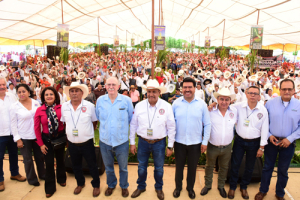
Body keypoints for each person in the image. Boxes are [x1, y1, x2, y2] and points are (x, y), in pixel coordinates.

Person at [209, 86, 269, 199]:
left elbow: (265, 129)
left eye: (255, 93)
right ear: (246, 94)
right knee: (235, 164)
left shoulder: (263, 110)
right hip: (239, 141)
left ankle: (244, 187)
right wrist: (213, 104)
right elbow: (223, 105)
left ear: (259, 96)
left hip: (254, 142)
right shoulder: (237, 107)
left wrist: (261, 147)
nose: (252, 95)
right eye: (250, 93)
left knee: (250, 166)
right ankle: (232, 187)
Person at [129, 79, 176, 200]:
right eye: (149, 92)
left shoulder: (166, 106)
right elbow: (133, 125)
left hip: (159, 143)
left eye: (154, 92)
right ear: (146, 93)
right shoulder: (139, 106)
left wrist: (170, 146)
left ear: (159, 92)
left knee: (159, 168)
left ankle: (159, 188)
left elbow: (171, 127)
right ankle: (141, 186)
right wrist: (132, 143)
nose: (151, 94)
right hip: (143, 142)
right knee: (141, 167)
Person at [255, 79, 300, 200]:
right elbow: (264, 122)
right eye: (284, 89)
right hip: (272, 141)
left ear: (294, 90)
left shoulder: (299, 105)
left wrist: (289, 139)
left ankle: (280, 193)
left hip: (288, 144)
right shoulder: (270, 103)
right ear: (279, 90)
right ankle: (263, 190)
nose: (286, 91)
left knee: (283, 170)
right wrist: (269, 134)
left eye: (289, 89)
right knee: (267, 167)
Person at [172, 77, 211, 199]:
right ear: (181, 89)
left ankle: (190, 188)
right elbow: (171, 124)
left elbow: (208, 124)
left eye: (190, 87)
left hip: (195, 143)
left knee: (192, 168)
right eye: (185, 87)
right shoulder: (176, 104)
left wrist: (205, 142)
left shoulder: (202, 104)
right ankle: (178, 188)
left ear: (195, 88)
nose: (187, 90)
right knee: (179, 167)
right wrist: (171, 141)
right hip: (179, 142)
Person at [95, 77, 133, 197]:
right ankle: (111, 185)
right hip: (105, 141)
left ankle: (124, 186)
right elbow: (98, 116)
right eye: (109, 84)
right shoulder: (100, 100)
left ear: (118, 86)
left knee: (123, 168)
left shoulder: (126, 100)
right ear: (105, 86)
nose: (111, 86)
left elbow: (130, 119)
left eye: (113, 84)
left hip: (121, 141)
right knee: (108, 167)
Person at [60, 82, 100, 197]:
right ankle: (80, 183)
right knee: (75, 165)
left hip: (87, 143)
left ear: (82, 93)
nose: (74, 93)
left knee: (92, 165)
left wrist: (86, 133)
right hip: (72, 143)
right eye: (72, 91)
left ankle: (96, 185)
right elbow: (64, 123)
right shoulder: (64, 106)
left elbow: (94, 122)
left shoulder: (89, 106)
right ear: (69, 93)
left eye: (76, 91)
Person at [201, 88, 237, 198]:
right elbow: (202, 124)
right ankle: (208, 185)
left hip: (227, 146)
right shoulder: (210, 111)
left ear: (230, 100)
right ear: (217, 99)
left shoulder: (234, 111)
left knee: (224, 167)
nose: (224, 102)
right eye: (221, 99)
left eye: (227, 99)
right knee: (209, 166)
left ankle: (221, 186)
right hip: (212, 145)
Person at [10, 84, 46, 186]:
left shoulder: (36, 103)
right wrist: (17, 139)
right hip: (24, 137)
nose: (21, 94)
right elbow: (13, 124)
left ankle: (42, 174)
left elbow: (40, 118)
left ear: (29, 92)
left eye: (23, 91)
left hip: (37, 136)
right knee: (28, 159)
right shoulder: (14, 106)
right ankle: (32, 179)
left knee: (40, 157)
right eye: (19, 92)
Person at [34, 87, 67, 198]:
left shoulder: (61, 108)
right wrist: (41, 144)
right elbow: (37, 128)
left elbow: (66, 123)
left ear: (55, 96)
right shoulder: (39, 110)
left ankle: (61, 179)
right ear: (43, 97)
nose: (49, 96)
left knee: (60, 160)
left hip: (60, 138)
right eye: (46, 94)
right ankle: (50, 188)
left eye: (51, 94)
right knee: (48, 164)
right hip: (46, 140)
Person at [0, 78, 26, 191]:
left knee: (13, 154)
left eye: (3, 84)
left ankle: (14, 173)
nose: (2, 86)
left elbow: (17, 110)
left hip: (12, 132)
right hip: (0, 133)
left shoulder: (11, 96)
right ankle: (0, 179)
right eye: (0, 84)